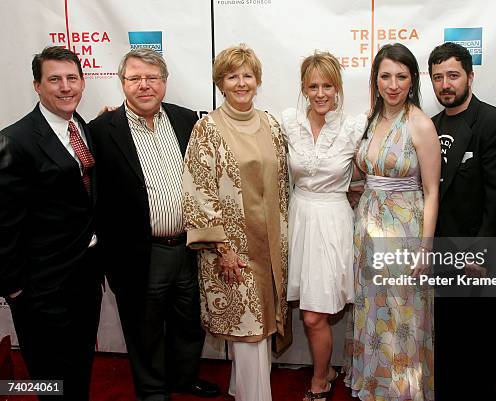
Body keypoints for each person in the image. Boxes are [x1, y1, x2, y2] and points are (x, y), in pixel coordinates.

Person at [88, 48, 218, 400]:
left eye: (152, 77)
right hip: (139, 252)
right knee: (143, 328)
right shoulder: (100, 130)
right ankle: (152, 391)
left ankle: (184, 378)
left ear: (164, 82)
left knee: (188, 322)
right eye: (135, 78)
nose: (144, 85)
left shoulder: (186, 119)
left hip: (187, 247)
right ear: (122, 83)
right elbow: (94, 197)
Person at [182, 44, 291, 401]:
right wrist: (224, 249)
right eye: (232, 76)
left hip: (272, 247)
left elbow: (283, 186)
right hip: (232, 250)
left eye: (247, 75)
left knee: (262, 326)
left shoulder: (272, 126)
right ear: (221, 83)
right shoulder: (207, 129)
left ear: (257, 81)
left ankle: (244, 389)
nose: (241, 83)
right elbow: (199, 190)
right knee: (250, 329)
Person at [0, 46, 103, 400]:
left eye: (71, 78)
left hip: (84, 278)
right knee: (50, 379)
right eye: (54, 79)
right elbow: (4, 223)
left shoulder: (83, 128)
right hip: (41, 287)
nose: (64, 87)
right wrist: (14, 289)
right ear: (37, 86)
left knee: (79, 367)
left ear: (82, 82)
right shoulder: (16, 139)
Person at [345, 43, 440, 401]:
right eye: (385, 76)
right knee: (371, 310)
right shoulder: (371, 118)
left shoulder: (420, 124)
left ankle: (402, 391)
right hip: (367, 230)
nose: (393, 84)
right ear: (376, 79)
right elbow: (361, 173)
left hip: (404, 234)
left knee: (401, 317)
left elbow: (431, 192)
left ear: (413, 80)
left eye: (401, 76)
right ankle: (375, 385)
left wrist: (425, 249)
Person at [427, 42, 496, 401]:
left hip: (478, 252)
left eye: (453, 75)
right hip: (442, 251)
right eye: (438, 77)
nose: (445, 84)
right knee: (447, 338)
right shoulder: (430, 125)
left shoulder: (494, 122)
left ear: (470, 76)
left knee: (481, 340)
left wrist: (479, 252)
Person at [280, 51, 365, 401]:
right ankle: (326, 370)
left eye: (327, 85)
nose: (320, 93)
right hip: (300, 219)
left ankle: (320, 380)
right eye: (313, 86)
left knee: (315, 315)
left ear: (338, 87)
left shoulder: (354, 126)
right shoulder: (287, 122)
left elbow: (377, 159)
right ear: (303, 88)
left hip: (333, 223)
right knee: (312, 311)